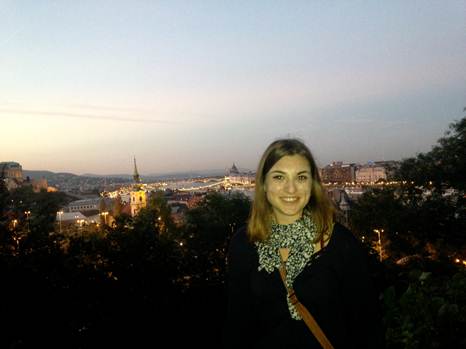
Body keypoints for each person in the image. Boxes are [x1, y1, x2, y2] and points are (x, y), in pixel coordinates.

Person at [223, 139, 383, 348]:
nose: (291, 189)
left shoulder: (340, 244)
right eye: (279, 177)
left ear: (312, 184)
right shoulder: (244, 244)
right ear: (263, 184)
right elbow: (237, 325)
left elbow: (367, 327)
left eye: (301, 177)